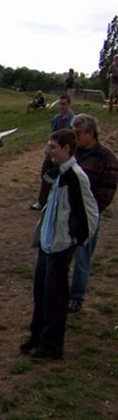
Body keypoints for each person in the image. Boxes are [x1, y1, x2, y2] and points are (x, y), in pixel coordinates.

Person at [21, 130, 98, 360]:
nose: (49, 150)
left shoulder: (76, 177)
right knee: (41, 293)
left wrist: (74, 240)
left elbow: (89, 214)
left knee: (55, 297)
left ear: (66, 148)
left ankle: (52, 345)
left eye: (53, 147)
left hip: (60, 246)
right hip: (47, 243)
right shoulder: (59, 172)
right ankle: (37, 335)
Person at [67, 114, 118, 313]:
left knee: (82, 256)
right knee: (61, 254)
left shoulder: (106, 157)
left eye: (78, 133)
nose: (75, 136)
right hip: (67, 212)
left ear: (91, 134)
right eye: (73, 132)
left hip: (88, 216)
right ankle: (59, 292)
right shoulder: (72, 152)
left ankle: (76, 296)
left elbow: (107, 191)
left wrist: (90, 212)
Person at [30, 94, 75, 210]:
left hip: (63, 154)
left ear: (69, 104)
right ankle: (42, 202)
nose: (61, 106)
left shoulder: (73, 120)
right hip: (51, 151)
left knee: (58, 178)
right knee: (45, 174)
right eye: (60, 104)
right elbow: (52, 134)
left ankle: (53, 202)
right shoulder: (56, 118)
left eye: (64, 104)